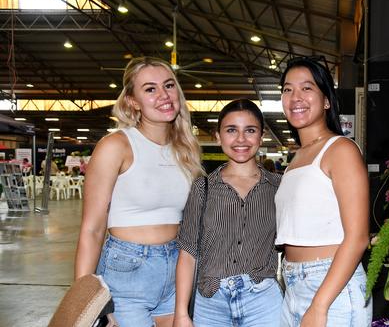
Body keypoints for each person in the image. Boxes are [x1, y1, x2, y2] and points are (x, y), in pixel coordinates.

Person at [74, 56, 204, 327]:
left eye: (168, 85)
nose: (163, 95)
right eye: (150, 89)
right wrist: (85, 301)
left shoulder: (186, 150)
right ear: (133, 101)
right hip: (126, 271)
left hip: (174, 270)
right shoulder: (116, 146)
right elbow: (92, 228)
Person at [275, 57, 371, 326]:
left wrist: (319, 305)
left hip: (331, 288)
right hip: (292, 285)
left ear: (327, 100)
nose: (296, 97)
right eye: (287, 89)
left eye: (307, 88)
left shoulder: (341, 150)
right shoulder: (296, 159)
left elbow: (358, 237)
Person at [174, 99, 283, 327]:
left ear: (261, 136)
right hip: (211, 303)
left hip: (263, 303)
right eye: (231, 130)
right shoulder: (202, 188)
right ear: (218, 136)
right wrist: (181, 313)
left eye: (250, 130)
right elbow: (188, 253)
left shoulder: (279, 187)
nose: (241, 139)